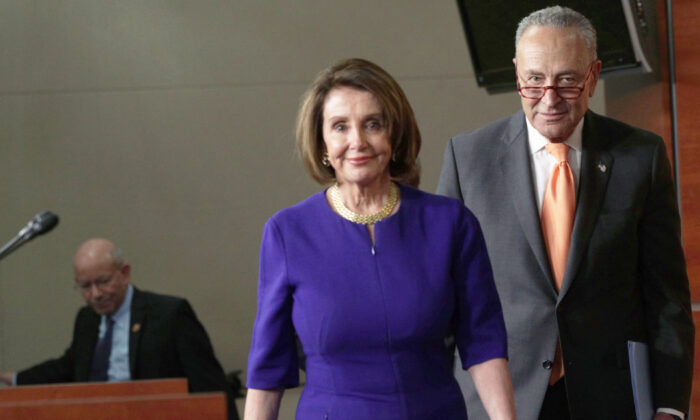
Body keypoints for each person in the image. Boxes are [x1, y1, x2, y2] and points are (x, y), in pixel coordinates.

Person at [437, 6, 694, 420]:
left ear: (593, 76)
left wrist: (669, 407)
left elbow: (667, 299)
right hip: (499, 401)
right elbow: (443, 295)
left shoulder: (640, 157)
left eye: (568, 80)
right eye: (535, 80)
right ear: (518, 73)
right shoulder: (468, 158)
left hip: (610, 400)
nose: (550, 98)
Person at [244, 58, 516, 420]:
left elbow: (484, 344)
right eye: (340, 127)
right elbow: (268, 371)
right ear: (322, 143)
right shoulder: (287, 233)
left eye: (373, 124)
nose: (357, 141)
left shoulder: (450, 223)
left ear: (395, 134)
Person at [0, 238, 239, 420]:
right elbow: (68, 367)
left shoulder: (169, 314)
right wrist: (13, 378)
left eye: (103, 282)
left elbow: (210, 386)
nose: (95, 295)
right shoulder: (87, 320)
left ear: (124, 273)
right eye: (85, 286)